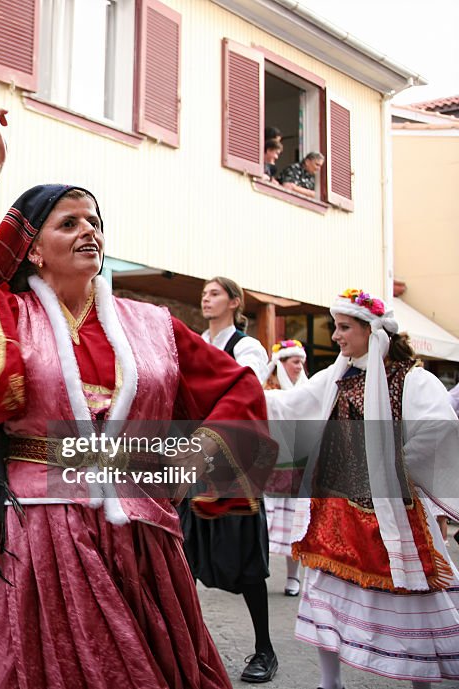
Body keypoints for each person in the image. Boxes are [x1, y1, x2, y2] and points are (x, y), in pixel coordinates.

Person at [0, 108, 275, 689]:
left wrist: (203, 461)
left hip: (143, 532)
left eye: (94, 220)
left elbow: (238, 387)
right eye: (68, 223)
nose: (88, 229)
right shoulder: (6, 316)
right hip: (41, 531)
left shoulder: (152, 323)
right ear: (32, 250)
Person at [265, 289, 459, 689]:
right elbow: (290, 407)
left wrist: (397, 464)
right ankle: (329, 682)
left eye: (344, 327)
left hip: (389, 515)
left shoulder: (410, 379)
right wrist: (242, 393)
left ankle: (418, 683)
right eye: (335, 327)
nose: (336, 336)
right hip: (332, 510)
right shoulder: (333, 378)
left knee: (405, 597)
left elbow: (441, 428)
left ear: (373, 332)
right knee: (324, 594)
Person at [183, 276, 277, 683]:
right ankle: (183, 645)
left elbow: (244, 393)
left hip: (232, 466)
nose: (206, 298)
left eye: (215, 292)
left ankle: (265, 649)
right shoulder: (199, 342)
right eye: (204, 293)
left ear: (235, 302)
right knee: (182, 554)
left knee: (246, 562)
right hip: (196, 463)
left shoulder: (247, 347)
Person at [262, 339, 308, 597]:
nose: (300, 366)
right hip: (270, 468)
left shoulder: (307, 390)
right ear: (280, 364)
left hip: (298, 469)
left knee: (294, 524)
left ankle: (293, 577)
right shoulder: (267, 392)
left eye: (302, 362)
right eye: (295, 361)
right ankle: (257, 573)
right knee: (264, 525)